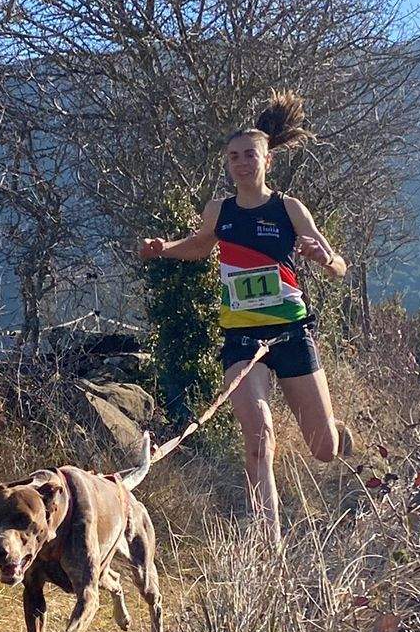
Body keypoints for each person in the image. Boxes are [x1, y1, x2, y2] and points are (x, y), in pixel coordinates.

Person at [140, 91, 352, 546]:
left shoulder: (289, 209)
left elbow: (339, 266)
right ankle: (268, 544)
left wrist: (322, 256)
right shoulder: (220, 210)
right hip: (241, 337)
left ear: (267, 160)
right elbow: (201, 245)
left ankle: (334, 433)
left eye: (249, 154)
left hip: (291, 332)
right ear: (227, 163)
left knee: (323, 450)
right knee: (259, 434)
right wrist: (167, 249)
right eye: (233, 156)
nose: (241, 162)